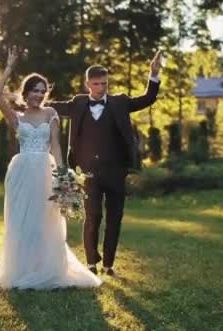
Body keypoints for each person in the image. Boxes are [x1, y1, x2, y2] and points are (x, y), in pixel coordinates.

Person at [0, 47, 102, 290]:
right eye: (34, 90)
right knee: (22, 220)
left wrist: (62, 176)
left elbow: (56, 146)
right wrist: (9, 67)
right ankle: (22, 269)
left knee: (45, 221)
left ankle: (47, 268)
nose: (39, 95)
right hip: (22, 171)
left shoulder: (51, 113)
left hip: (46, 171)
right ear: (26, 93)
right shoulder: (17, 115)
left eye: (42, 91)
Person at [49, 51, 163, 277]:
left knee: (114, 218)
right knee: (92, 217)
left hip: (116, 172)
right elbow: (50, 106)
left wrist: (154, 73)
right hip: (88, 173)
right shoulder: (78, 103)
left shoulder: (120, 102)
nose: (101, 87)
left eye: (104, 83)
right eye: (96, 83)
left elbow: (147, 99)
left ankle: (109, 264)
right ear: (87, 84)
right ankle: (91, 262)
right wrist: (20, 99)